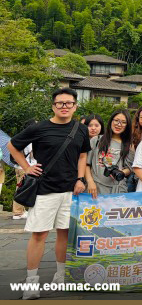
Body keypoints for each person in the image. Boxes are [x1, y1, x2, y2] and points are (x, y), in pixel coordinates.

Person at [7, 87, 90, 298]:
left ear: (75, 106)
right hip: (44, 190)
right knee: (39, 235)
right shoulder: (39, 128)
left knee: (64, 233)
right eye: (60, 103)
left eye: (69, 103)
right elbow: (12, 145)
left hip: (70, 190)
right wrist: (27, 167)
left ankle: (60, 277)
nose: (64, 106)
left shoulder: (80, 129)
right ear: (53, 106)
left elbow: (82, 156)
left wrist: (80, 179)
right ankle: (31, 282)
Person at [86, 110, 134, 197]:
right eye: (116, 120)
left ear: (127, 125)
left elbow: (130, 168)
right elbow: (86, 164)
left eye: (123, 122)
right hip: (95, 188)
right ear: (111, 121)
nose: (119, 124)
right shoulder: (96, 140)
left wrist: (121, 173)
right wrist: (90, 182)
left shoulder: (129, 145)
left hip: (117, 190)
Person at [13, 142, 36, 220]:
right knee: (22, 189)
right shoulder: (30, 142)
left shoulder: (23, 140)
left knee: (20, 188)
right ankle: (18, 213)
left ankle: (21, 211)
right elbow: (32, 155)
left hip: (18, 167)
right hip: (25, 167)